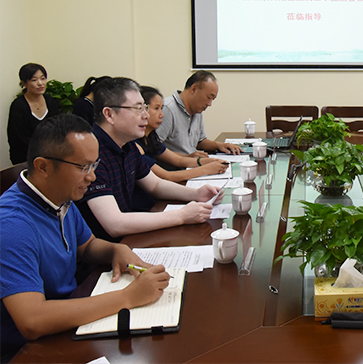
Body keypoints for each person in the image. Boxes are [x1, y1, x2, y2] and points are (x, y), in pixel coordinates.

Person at [0, 114, 169, 362]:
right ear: (43, 167)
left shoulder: (59, 196)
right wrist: (127, 297)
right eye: (83, 167)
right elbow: (32, 320)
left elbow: (87, 245)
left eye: (94, 165)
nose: (92, 177)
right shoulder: (12, 224)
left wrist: (115, 250)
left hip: (70, 321)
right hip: (28, 349)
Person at [76, 77, 223, 243]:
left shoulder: (127, 145)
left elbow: (155, 185)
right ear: (109, 114)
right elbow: (114, 223)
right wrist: (181, 216)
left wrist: (196, 194)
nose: (146, 115)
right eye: (138, 109)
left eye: (145, 108)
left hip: (130, 238)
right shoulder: (92, 153)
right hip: (105, 249)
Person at [137, 86, 229, 182]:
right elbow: (166, 176)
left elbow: (178, 160)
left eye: (161, 108)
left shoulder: (150, 139)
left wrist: (209, 161)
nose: (162, 115)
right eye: (156, 108)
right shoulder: (135, 146)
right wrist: (206, 169)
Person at [155, 71, 242, 162]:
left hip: (192, 163)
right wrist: (187, 157)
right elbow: (154, 148)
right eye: (209, 97)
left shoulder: (197, 110)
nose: (209, 104)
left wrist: (219, 145)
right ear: (194, 89)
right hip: (175, 167)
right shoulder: (167, 109)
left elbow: (200, 141)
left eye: (212, 99)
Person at [7, 63, 60, 165]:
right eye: (34, 80)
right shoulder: (18, 106)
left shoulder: (50, 101)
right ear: (24, 83)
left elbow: (57, 128)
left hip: (50, 154)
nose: (40, 83)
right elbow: (18, 138)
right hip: (25, 156)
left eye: (43, 78)